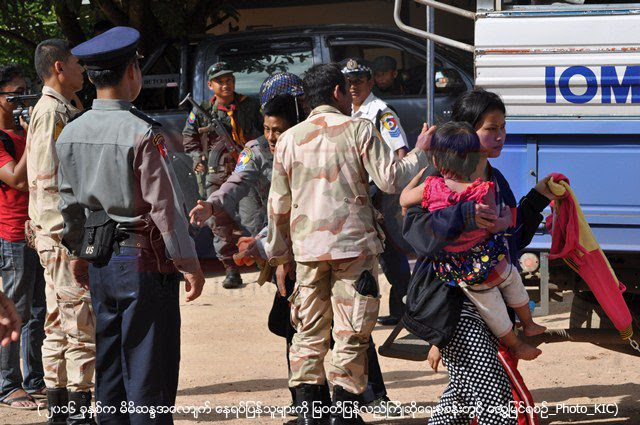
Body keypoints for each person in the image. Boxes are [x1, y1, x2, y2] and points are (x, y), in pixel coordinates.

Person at [264, 63, 430, 425]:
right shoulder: (360, 129)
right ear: (338, 92)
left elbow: (277, 205)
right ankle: (344, 414)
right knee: (351, 333)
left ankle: (310, 415)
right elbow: (391, 180)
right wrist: (420, 151)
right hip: (354, 250)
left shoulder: (288, 139)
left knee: (307, 333)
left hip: (307, 253)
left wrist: (279, 258)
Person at [56, 27, 205, 425]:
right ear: (132, 72)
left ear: (91, 77)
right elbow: (165, 206)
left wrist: (79, 252)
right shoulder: (142, 131)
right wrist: (188, 261)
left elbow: (68, 205)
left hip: (100, 259)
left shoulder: (71, 131)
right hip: (143, 261)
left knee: (109, 365)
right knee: (149, 369)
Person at [401, 89, 557, 424]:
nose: (500, 135)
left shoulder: (495, 180)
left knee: (461, 398)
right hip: (453, 303)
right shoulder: (439, 178)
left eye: (503, 126)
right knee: (495, 399)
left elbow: (510, 239)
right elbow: (418, 235)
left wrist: (537, 198)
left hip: (491, 297)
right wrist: (465, 215)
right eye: (491, 128)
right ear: (467, 132)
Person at [400, 121, 546, 360]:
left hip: (461, 270)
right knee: (512, 280)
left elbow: (404, 200)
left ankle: (516, 343)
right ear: (474, 160)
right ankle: (528, 324)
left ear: (436, 161)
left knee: (492, 309)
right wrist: (505, 220)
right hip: (488, 259)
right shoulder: (482, 190)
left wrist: (414, 182)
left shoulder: (430, 188)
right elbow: (495, 224)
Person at [26, 38, 96, 424]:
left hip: (53, 233)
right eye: (76, 62)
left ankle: (60, 408)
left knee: (58, 321)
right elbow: (48, 178)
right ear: (59, 67)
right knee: (79, 322)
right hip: (61, 235)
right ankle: (78, 410)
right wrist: (68, 237)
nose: (82, 69)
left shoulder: (62, 107)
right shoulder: (53, 111)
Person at [341, 58, 411, 327]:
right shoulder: (347, 112)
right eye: (348, 82)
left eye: (358, 81)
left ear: (370, 82)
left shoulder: (381, 112)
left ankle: (404, 308)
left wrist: (393, 195)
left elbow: (400, 151)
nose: (353, 87)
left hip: (379, 191)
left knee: (390, 248)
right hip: (355, 191)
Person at [182, 61, 262, 289]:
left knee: (253, 219)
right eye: (220, 81)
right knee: (219, 224)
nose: (226, 85)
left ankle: (265, 262)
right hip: (216, 175)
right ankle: (231, 269)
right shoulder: (202, 110)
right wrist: (198, 158)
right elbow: (188, 137)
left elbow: (263, 131)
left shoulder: (249, 105)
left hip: (245, 172)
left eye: (229, 80)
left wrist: (252, 150)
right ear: (210, 85)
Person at [0, 65, 47, 410]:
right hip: (13, 234)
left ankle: (34, 379)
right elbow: (16, 179)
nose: (22, 101)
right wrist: (33, 138)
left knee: (38, 310)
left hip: (37, 231)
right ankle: (7, 384)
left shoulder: (22, 133)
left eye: (26, 92)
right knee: (14, 310)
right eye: (15, 95)